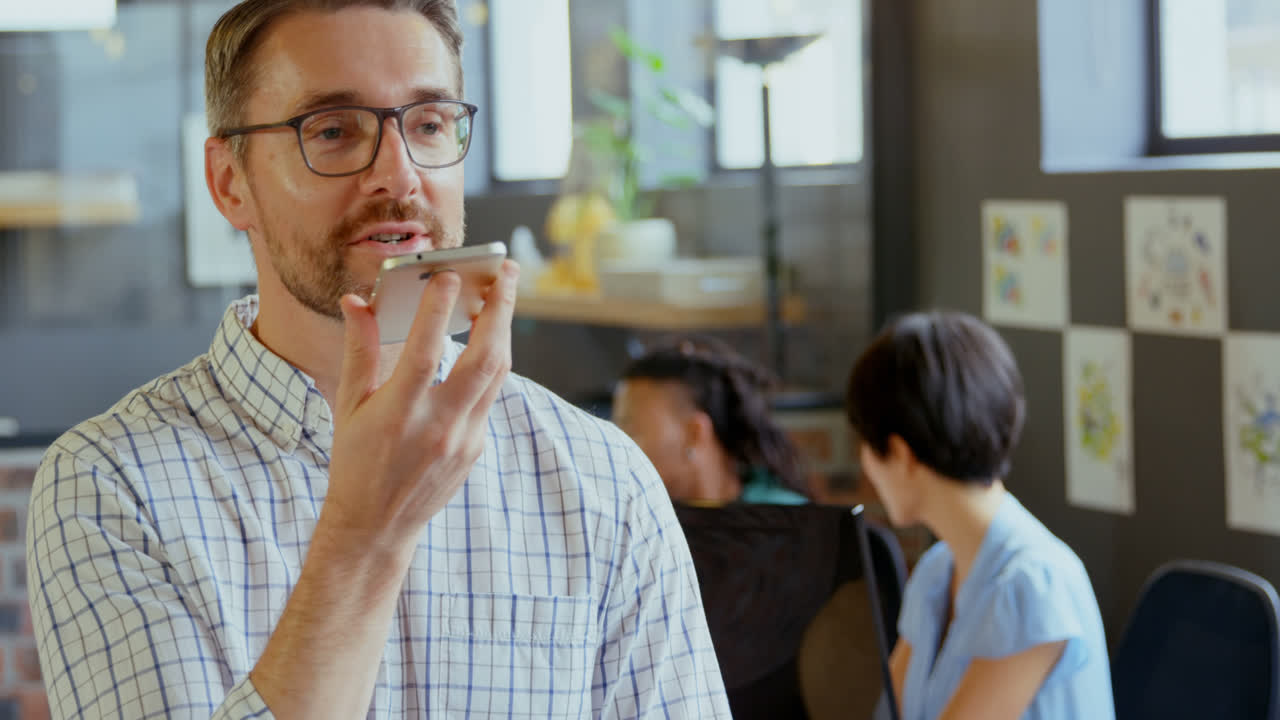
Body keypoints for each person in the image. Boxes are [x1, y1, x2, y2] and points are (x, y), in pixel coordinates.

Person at [25, 1, 730, 718]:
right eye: (331, 131)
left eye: (427, 125)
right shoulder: (111, 487)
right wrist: (364, 535)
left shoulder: (600, 478)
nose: (398, 175)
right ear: (230, 183)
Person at [845, 311, 1113, 720]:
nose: (865, 468)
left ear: (900, 454)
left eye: (866, 446)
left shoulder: (1033, 585)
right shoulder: (938, 573)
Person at [612, 335, 808, 506]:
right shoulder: (644, 522)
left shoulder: (786, 522)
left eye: (630, 431)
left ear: (694, 433)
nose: (615, 449)